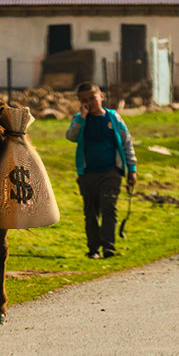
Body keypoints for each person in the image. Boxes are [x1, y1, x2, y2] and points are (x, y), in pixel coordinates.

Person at [65, 82, 137, 259]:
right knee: (90, 212)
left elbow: (127, 143)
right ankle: (93, 249)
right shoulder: (79, 119)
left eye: (93, 97)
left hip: (110, 172)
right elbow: (71, 137)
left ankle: (108, 247)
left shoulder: (114, 118)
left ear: (101, 97)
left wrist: (131, 169)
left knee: (109, 207)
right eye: (85, 100)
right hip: (88, 174)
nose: (90, 102)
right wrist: (82, 116)